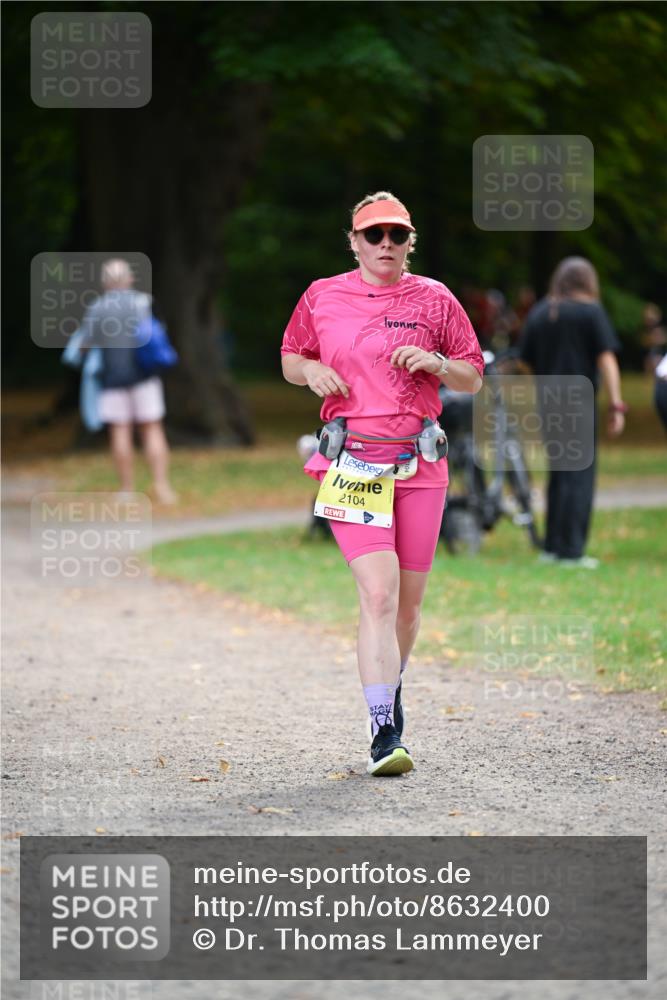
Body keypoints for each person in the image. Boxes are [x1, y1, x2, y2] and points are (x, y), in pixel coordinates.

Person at [281, 192, 483, 776]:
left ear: (409, 241)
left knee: (407, 611)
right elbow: (292, 355)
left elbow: (473, 376)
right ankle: (383, 734)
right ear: (354, 241)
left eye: (396, 235)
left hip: (420, 465)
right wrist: (311, 370)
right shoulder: (322, 295)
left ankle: (386, 692)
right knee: (378, 593)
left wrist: (438, 364)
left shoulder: (436, 299)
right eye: (373, 235)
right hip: (352, 465)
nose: (385, 245)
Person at [518, 256, 626, 568]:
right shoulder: (591, 312)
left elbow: (525, 361)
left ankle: (552, 546)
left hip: (549, 400)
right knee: (579, 475)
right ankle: (573, 551)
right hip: (579, 400)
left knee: (559, 471)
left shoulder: (541, 312)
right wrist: (617, 404)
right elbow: (607, 360)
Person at [81, 259, 178, 504]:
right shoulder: (143, 302)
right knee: (152, 428)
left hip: (113, 379)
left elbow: (84, 345)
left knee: (120, 431)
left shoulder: (98, 307)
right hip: (145, 377)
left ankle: (127, 490)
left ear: (105, 282)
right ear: (129, 279)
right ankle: (162, 486)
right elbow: (159, 335)